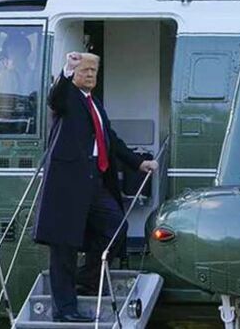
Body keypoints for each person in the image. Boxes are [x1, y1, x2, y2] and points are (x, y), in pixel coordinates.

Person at [33, 52, 158, 322]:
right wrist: (67, 70)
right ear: (74, 74)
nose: (90, 75)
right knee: (63, 247)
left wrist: (139, 163)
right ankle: (65, 310)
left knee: (116, 228)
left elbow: (110, 139)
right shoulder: (67, 96)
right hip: (67, 184)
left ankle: (87, 280)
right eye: (85, 71)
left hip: (94, 180)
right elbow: (54, 98)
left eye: (93, 71)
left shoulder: (95, 104)